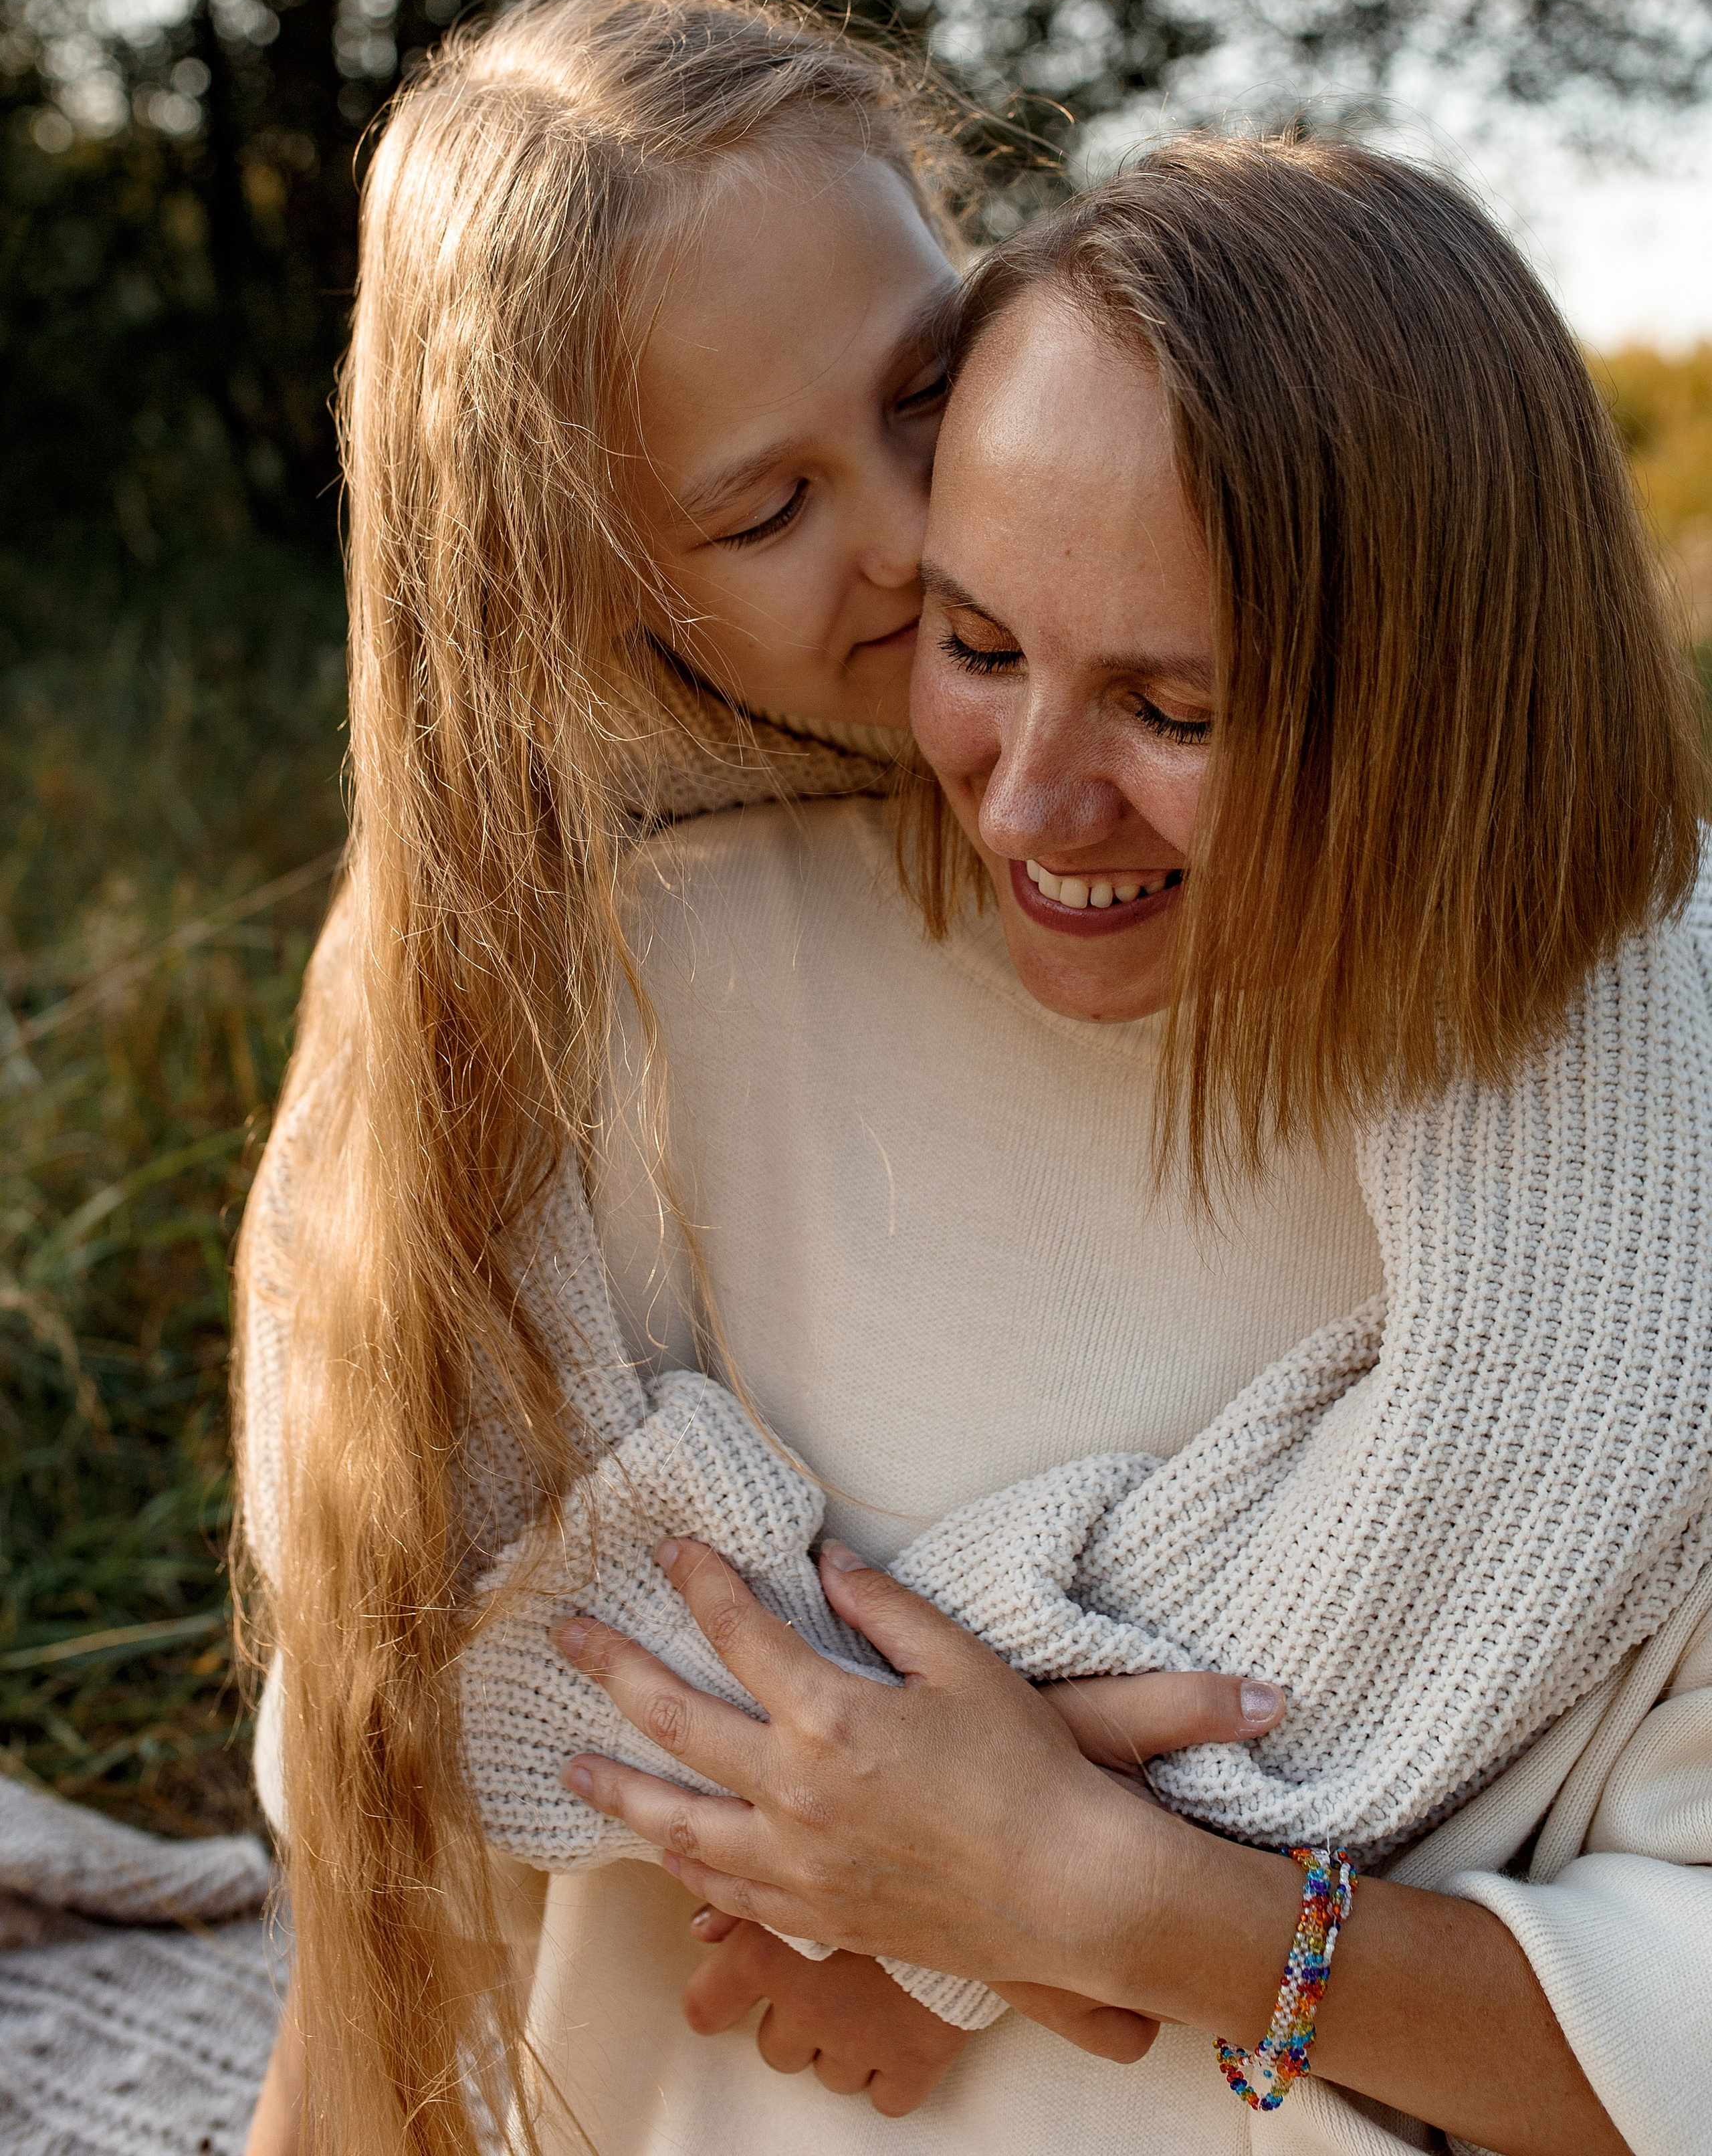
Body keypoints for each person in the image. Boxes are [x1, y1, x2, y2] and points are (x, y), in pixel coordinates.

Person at [512, 143, 1712, 2154]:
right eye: (975, 649)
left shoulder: (1657, 1128)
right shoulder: (666, 979)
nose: (1032, 805)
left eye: (1174, 703)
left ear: (1449, 706)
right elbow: (408, 1644)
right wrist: (813, 1833)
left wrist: (1105, 1905)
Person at [236, 0, 1037, 2156]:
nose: (907, 537)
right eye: (763, 513)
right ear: (575, 568)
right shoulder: (529, 971)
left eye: (932, 395)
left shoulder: (1156, 768)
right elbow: (384, 1693)